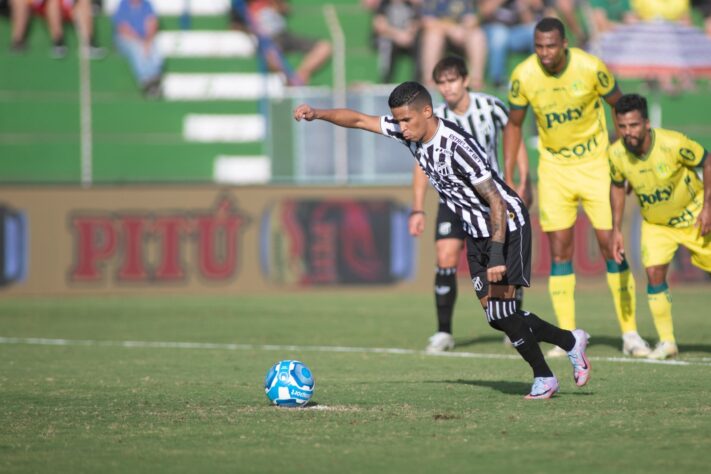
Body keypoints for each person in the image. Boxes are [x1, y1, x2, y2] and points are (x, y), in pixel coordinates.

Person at [293, 81, 592, 400]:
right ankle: (570, 341)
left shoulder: (457, 147)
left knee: (503, 313)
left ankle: (545, 376)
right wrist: (317, 114)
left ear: (427, 111)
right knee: (496, 317)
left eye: (407, 120)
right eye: (398, 121)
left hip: (506, 228)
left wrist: (496, 254)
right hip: (475, 231)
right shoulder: (407, 131)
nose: (402, 128)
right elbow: (359, 120)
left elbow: (497, 202)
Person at [503, 17, 652, 357]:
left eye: (550, 46)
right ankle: (568, 338)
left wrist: (625, 159)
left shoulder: (590, 68)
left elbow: (621, 106)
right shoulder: (523, 75)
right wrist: (512, 176)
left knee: (611, 247)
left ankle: (630, 335)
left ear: (565, 43)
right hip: (554, 169)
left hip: (597, 166)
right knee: (559, 252)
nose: (544, 53)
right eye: (538, 47)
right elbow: (514, 125)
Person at [408, 55, 530, 353]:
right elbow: (421, 164)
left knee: (498, 262)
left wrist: (522, 181)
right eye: (441, 83)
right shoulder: (432, 117)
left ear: (465, 80)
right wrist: (418, 207)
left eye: (452, 81)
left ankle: (510, 318)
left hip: (489, 199)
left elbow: (515, 136)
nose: (447, 88)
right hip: (452, 198)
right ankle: (444, 331)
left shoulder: (490, 107)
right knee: (445, 255)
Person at [608, 94, 711, 360]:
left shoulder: (673, 143)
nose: (628, 132)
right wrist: (616, 229)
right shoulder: (616, 154)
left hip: (694, 218)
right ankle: (668, 342)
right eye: (623, 126)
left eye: (633, 125)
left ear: (647, 123)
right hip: (656, 225)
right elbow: (618, 186)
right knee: (653, 273)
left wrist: (708, 207)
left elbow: (707, 161)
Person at [231, 0, 332, 85]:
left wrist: (276, 4)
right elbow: (235, 26)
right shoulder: (240, 4)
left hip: (284, 34)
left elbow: (286, 9)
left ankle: (301, 75)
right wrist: (253, 29)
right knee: (270, 56)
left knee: (324, 47)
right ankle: (289, 80)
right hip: (266, 39)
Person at [478, 0, 555, 89]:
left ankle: (541, 74)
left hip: (514, 33)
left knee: (534, 30)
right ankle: (498, 80)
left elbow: (528, 22)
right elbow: (484, 12)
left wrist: (523, 7)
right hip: (492, 30)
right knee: (500, 34)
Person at [418, 0, 487, 90]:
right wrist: (450, 29)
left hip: (461, 33)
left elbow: (472, 18)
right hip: (438, 33)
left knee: (477, 35)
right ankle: (430, 81)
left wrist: (464, 28)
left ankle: (476, 80)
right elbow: (427, 22)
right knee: (432, 37)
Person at [10, 0, 105, 58]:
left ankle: (89, 42)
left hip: (67, 7)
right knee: (53, 2)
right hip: (45, 5)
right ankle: (58, 41)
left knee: (84, 2)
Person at [112, 0, 164, 98]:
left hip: (143, 39)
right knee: (136, 47)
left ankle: (154, 78)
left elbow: (152, 23)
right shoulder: (123, 5)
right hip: (127, 39)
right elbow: (122, 28)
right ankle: (145, 80)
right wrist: (140, 41)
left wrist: (147, 41)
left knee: (153, 45)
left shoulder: (146, 4)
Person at [371, 0, 421, 83]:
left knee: (420, 44)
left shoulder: (410, 5)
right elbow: (379, 26)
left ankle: (417, 81)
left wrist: (408, 35)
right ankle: (386, 80)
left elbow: (415, 24)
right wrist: (398, 35)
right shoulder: (384, 4)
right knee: (387, 43)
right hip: (390, 38)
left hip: (407, 39)